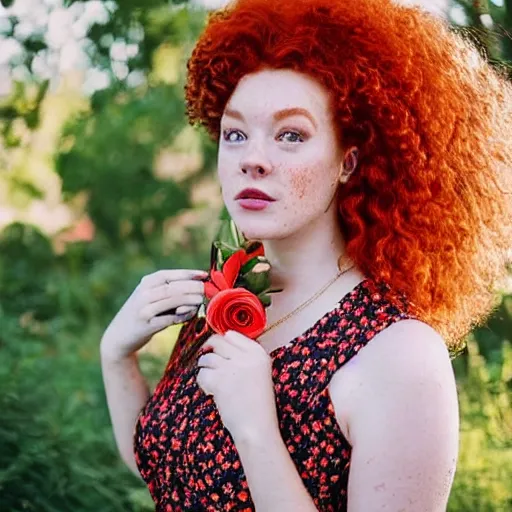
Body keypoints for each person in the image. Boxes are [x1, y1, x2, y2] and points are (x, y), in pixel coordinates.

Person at [100, 0, 512, 510]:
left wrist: (256, 433)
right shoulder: (228, 295)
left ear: (349, 160)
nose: (252, 159)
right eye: (235, 134)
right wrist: (117, 356)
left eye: (290, 135)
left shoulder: (398, 355)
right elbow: (166, 471)